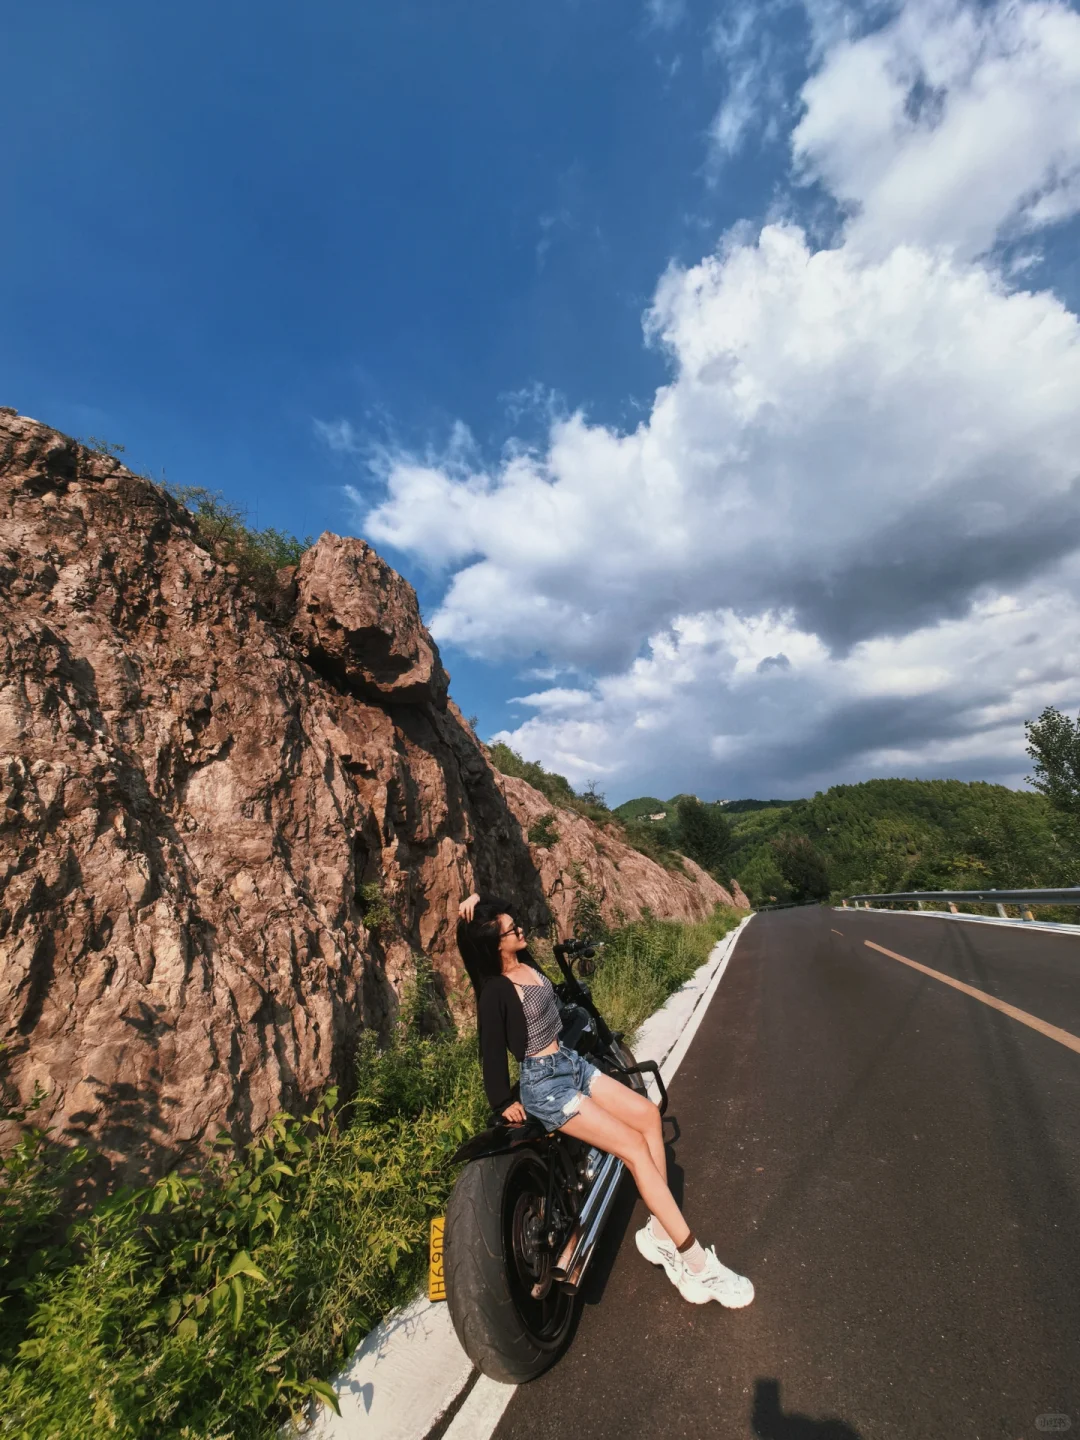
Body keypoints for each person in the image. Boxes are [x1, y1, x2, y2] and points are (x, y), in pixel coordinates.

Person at [456, 891, 754, 1308]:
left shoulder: (527, 964)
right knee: (632, 1147)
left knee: (648, 1115)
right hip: (546, 1086)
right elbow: (489, 1049)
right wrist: (500, 1100)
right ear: (495, 943)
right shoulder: (495, 991)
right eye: (510, 928)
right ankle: (697, 1264)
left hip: (572, 1063)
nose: (519, 927)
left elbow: (506, 905)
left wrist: (481, 898)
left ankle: (660, 1236)